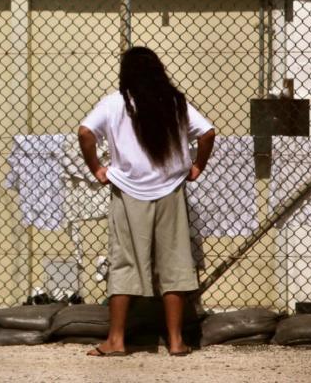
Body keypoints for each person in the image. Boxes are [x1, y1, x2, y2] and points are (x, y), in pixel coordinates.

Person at [78, 46, 216, 358]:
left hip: (127, 192)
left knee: (125, 260)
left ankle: (115, 340)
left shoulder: (114, 103)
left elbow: (85, 132)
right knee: (175, 261)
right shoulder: (174, 102)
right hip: (170, 189)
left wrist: (96, 169)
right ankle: (177, 341)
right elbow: (207, 133)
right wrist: (197, 166)